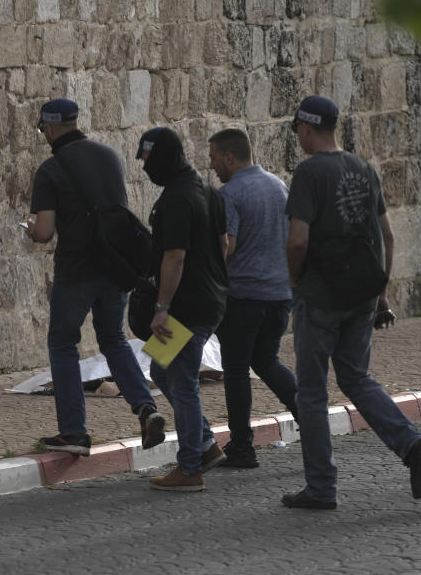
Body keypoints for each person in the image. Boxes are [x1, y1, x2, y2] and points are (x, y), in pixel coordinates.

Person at [284, 95, 421, 509]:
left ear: (305, 128)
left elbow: (298, 239)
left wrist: (295, 278)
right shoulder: (363, 168)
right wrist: (382, 294)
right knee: (356, 378)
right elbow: (386, 235)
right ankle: (411, 445)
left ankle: (321, 488)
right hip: (363, 294)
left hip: (320, 296)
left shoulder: (309, 173)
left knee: (312, 393)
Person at [26, 98, 165, 457]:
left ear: (51, 128)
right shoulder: (110, 156)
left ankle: (73, 432)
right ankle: (145, 407)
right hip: (115, 267)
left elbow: (44, 232)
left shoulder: (50, 170)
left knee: (62, 343)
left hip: (76, 271)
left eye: (43, 129)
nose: (44, 135)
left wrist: (29, 229)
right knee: (113, 339)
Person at [137, 127, 229, 491]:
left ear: (161, 158)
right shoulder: (208, 192)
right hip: (209, 301)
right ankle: (205, 446)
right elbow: (223, 245)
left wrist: (162, 307)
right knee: (161, 372)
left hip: (183, 309)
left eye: (147, 160)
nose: (145, 168)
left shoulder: (176, 199)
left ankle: (190, 467)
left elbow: (174, 257)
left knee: (183, 382)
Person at [208, 128, 299, 469]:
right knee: (267, 361)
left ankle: (242, 446)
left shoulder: (229, 193)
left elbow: (225, 246)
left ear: (230, 157)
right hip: (279, 295)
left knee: (235, 369)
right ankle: (310, 418)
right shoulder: (278, 186)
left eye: (215, 157)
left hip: (244, 297)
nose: (212, 165)